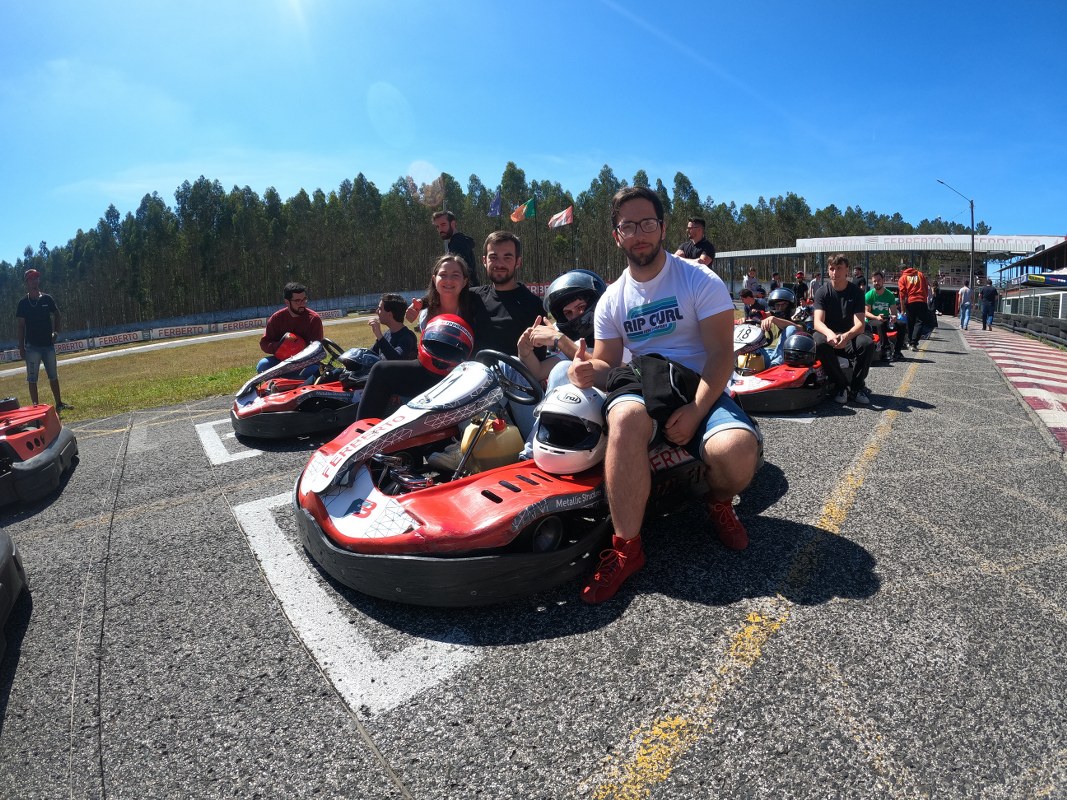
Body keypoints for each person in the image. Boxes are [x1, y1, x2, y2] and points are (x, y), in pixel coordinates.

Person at [567, 186, 761, 604]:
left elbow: (721, 357)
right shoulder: (611, 300)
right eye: (629, 226)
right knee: (625, 419)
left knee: (737, 450)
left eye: (648, 223)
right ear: (616, 235)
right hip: (644, 385)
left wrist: (695, 410)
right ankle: (626, 549)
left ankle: (720, 502)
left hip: (696, 385)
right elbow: (607, 365)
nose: (640, 234)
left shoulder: (698, 278)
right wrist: (585, 370)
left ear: (663, 227)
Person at [356, 254, 477, 420]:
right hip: (428, 373)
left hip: (460, 375)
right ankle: (361, 433)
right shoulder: (426, 314)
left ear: (464, 281)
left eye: (455, 275)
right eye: (443, 275)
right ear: (434, 279)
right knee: (380, 369)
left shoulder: (475, 309)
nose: (448, 280)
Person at [812, 254, 875, 405]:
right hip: (830, 336)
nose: (835, 272)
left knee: (867, 344)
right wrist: (830, 334)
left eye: (839, 268)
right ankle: (841, 386)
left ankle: (856, 387)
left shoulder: (856, 293)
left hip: (849, 336)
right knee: (817, 341)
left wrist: (845, 337)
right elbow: (817, 322)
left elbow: (860, 324)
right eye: (832, 268)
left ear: (847, 270)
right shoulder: (822, 292)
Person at [16, 268, 72, 410]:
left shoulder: (47, 299)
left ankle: (59, 403)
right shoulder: (23, 303)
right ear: (27, 282)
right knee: (32, 378)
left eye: (36, 278)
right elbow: (21, 326)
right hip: (32, 347)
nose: (34, 281)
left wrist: (56, 332)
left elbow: (57, 315)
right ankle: (35, 407)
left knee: (53, 375)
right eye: (31, 279)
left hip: (48, 345)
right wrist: (21, 347)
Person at [258, 282, 324, 376]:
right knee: (263, 365)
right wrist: (282, 346)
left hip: (305, 363)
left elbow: (318, 348)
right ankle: (277, 386)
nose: (302, 304)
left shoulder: (313, 319)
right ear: (287, 302)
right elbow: (264, 343)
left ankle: (297, 385)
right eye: (297, 301)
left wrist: (301, 351)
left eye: (304, 299)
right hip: (282, 361)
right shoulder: (276, 318)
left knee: (314, 370)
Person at [432, 211, 479, 287]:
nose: (440, 229)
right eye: (437, 226)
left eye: (443, 224)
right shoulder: (460, 241)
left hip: (467, 293)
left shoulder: (457, 244)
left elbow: (464, 273)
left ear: (452, 224)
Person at [864, 271, 903, 361]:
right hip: (872, 320)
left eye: (879, 280)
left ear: (883, 281)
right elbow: (866, 313)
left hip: (885, 319)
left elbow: (893, 312)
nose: (877, 283)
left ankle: (897, 351)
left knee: (902, 325)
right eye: (874, 281)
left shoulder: (889, 295)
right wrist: (876, 317)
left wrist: (893, 317)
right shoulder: (869, 295)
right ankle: (886, 350)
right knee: (879, 324)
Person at [757, 288, 799, 368]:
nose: (780, 308)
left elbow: (799, 329)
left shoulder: (795, 322)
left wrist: (774, 319)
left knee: (791, 328)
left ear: (790, 306)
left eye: (783, 305)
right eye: (777, 305)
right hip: (762, 353)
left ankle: (776, 364)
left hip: (780, 355)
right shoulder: (767, 321)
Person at [368, 293, 418, 360]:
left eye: (380, 309)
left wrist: (379, 335)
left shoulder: (407, 337)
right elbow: (370, 354)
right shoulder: (387, 334)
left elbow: (396, 360)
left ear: (389, 314)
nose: (376, 311)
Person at [897, 264, 930, 349]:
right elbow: (926, 288)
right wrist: (925, 299)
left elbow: (902, 295)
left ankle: (910, 341)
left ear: (901, 271)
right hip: (921, 301)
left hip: (910, 302)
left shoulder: (902, 278)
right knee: (920, 322)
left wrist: (902, 309)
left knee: (910, 322)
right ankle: (914, 342)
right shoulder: (920, 274)